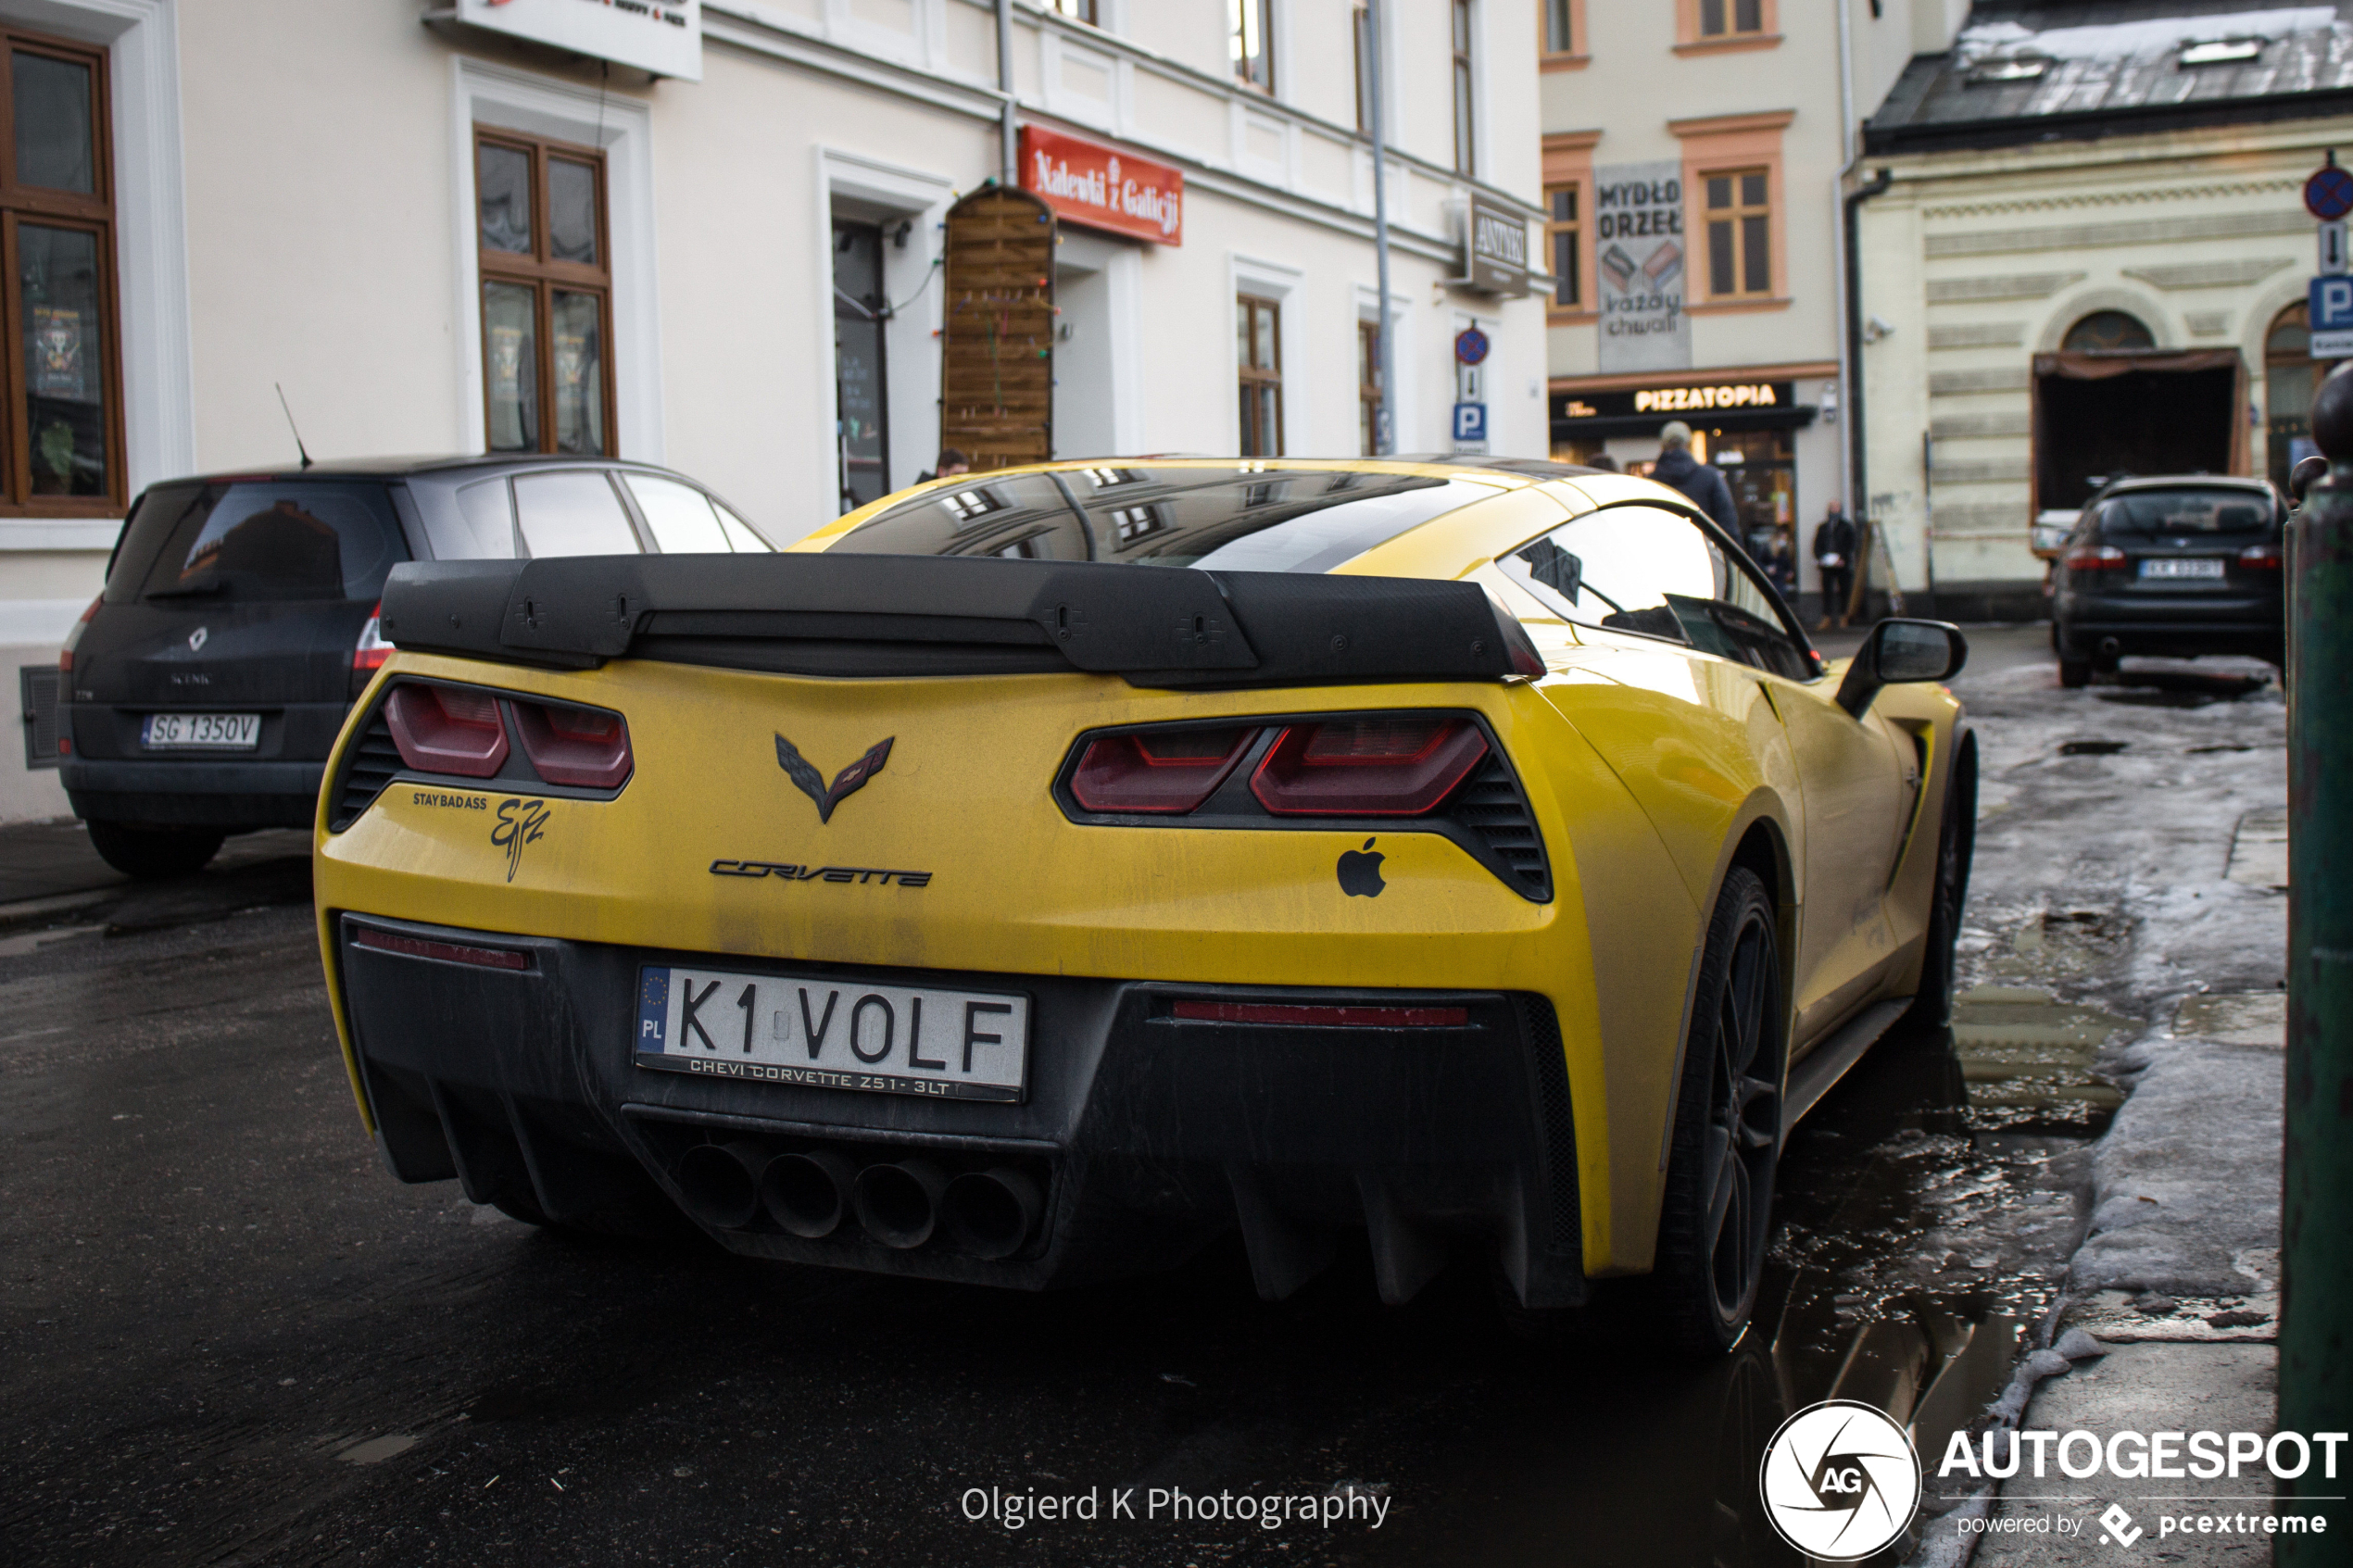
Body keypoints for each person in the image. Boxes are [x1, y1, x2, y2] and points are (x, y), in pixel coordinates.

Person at [1649, 421, 1737, 536]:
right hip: (1703, 550)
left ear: (1662, 446)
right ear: (1689, 444)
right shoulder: (1710, 477)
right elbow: (1728, 524)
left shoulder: (1651, 483)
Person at [1814, 504, 1858, 630]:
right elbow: (1817, 545)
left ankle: (1843, 617)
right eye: (1831, 508)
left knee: (1844, 591)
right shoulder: (1823, 527)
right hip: (1827, 565)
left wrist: (1842, 558)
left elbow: (1851, 545)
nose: (1833, 511)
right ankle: (1826, 618)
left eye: (1836, 508)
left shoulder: (1847, 527)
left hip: (1842, 565)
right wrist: (1821, 558)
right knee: (1826, 592)